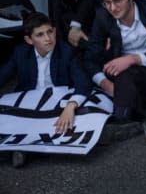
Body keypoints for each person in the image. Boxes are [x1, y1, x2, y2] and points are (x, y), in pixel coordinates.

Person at [84, 0, 146, 145]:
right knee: (123, 76)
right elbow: (90, 57)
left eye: (118, 0)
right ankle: (141, 121)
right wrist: (105, 84)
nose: (113, 8)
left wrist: (132, 59)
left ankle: (123, 122)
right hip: (122, 82)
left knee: (128, 72)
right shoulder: (103, 17)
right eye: (107, 2)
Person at [0, 12, 90, 167]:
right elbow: (2, 76)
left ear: (54, 31)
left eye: (49, 32)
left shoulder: (67, 52)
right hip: (30, 103)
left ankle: (23, 151)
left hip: (57, 104)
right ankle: (22, 150)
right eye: (40, 35)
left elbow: (83, 83)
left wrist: (70, 106)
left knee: (75, 123)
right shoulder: (20, 53)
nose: (48, 38)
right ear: (29, 40)